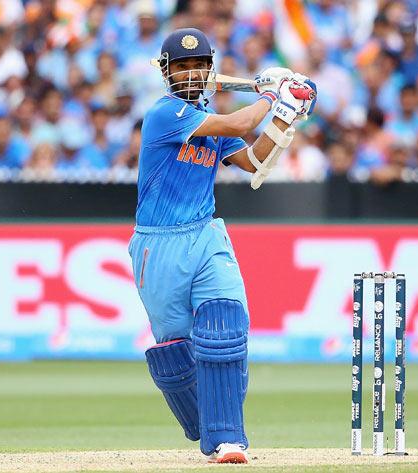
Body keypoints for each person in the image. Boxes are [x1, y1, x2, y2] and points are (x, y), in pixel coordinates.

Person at [127, 28, 315, 464]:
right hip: (158, 246)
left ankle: (228, 440)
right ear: (166, 72)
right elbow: (241, 122)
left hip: (206, 234)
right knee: (177, 358)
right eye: (182, 66)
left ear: (210, 70)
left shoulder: (210, 121)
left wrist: (288, 115)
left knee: (225, 326)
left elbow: (253, 160)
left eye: (198, 66)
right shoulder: (164, 114)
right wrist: (275, 97)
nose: (191, 74)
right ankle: (205, 425)